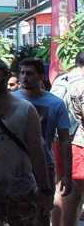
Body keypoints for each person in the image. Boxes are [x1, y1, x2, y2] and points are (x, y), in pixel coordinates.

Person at [0, 56, 53, 226]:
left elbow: (37, 152)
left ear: (6, 76)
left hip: (21, 189)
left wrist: (45, 189)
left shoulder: (26, 110)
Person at [13, 57, 72, 225]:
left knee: (42, 214)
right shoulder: (11, 100)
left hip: (44, 166)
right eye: (22, 73)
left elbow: (64, 140)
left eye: (29, 73)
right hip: (15, 166)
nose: (24, 77)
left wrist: (67, 175)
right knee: (17, 216)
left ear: (41, 76)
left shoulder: (56, 103)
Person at [56, 51, 84, 226]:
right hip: (75, 142)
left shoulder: (63, 79)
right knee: (72, 193)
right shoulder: (81, 83)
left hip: (61, 139)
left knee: (63, 188)